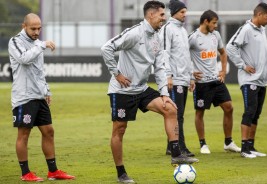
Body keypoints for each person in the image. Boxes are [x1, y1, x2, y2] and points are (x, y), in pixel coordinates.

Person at [101, 1, 199, 183]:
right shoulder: (134, 33)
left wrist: (164, 94)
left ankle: (176, 153)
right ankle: (121, 173)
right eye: (162, 15)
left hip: (142, 89)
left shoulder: (158, 36)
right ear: (151, 15)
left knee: (170, 108)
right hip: (122, 91)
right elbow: (107, 48)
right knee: (119, 130)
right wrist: (117, 74)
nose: (165, 18)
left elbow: (160, 67)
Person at [8, 13, 75, 182]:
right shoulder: (15, 41)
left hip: (39, 96)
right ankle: (25, 173)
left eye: (39, 28)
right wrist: (42, 45)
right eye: (33, 28)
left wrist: (47, 90)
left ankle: (53, 171)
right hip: (24, 97)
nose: (37, 32)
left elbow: (38, 70)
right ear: (24, 26)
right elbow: (24, 59)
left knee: (49, 131)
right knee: (24, 134)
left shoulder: (38, 43)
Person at [188, 10, 241, 154]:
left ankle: (228, 142)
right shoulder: (193, 37)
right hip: (201, 83)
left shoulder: (215, 36)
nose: (216, 26)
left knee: (229, 108)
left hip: (216, 81)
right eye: (214, 23)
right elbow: (181, 56)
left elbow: (223, 53)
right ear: (205, 21)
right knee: (200, 113)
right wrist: (190, 73)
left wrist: (223, 71)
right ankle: (203, 144)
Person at [226, 3, 267, 158]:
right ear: (259, 14)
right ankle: (244, 148)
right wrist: (242, 65)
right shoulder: (246, 29)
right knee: (249, 111)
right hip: (249, 80)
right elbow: (230, 47)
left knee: (256, 114)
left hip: (261, 80)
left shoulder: (261, 30)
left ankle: (251, 146)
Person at [159, 0, 195, 157]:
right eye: (182, 12)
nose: (185, 15)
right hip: (174, 79)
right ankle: (180, 147)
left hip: (184, 78)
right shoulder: (168, 29)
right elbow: (164, 53)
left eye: (185, 12)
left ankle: (170, 146)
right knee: (177, 114)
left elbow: (186, 56)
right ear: (174, 12)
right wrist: (168, 76)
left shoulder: (182, 30)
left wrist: (191, 77)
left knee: (179, 114)